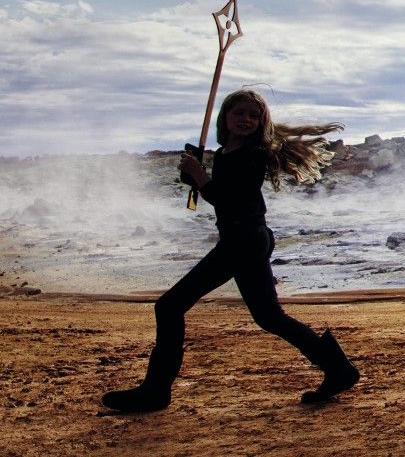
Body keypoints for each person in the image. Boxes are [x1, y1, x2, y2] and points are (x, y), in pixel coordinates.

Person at [102, 89, 359, 414]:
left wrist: (200, 177)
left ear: (261, 122)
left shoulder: (253, 154)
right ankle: (339, 369)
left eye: (253, 115)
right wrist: (196, 177)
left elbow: (229, 200)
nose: (246, 120)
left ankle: (156, 391)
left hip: (243, 241)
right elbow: (220, 195)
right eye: (239, 113)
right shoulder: (227, 152)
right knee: (269, 317)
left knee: (169, 307)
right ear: (224, 117)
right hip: (247, 238)